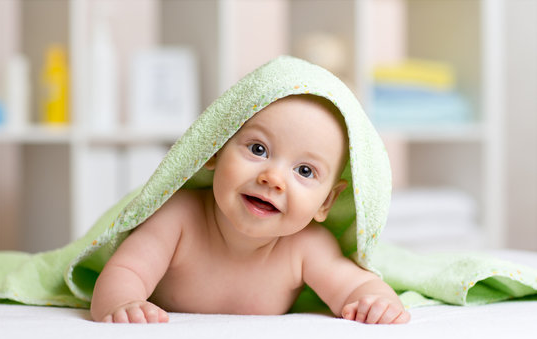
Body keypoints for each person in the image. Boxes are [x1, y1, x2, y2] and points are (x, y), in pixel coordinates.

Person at [90, 94, 410, 325]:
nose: (273, 179)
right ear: (215, 148)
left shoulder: (305, 247)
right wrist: (124, 303)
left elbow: (356, 286)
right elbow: (124, 272)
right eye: (258, 149)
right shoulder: (178, 218)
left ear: (326, 202)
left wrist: (379, 304)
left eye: (305, 171)